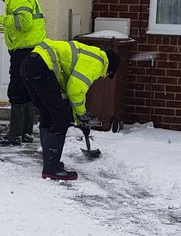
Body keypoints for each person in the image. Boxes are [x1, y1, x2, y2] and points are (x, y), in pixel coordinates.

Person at [20, 38, 119, 181]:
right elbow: (76, 90)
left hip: (29, 64)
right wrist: (81, 113)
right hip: (40, 66)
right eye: (107, 75)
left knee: (49, 113)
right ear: (109, 69)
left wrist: (80, 120)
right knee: (61, 117)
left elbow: (69, 92)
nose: (103, 77)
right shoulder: (96, 63)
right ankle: (51, 168)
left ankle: (50, 161)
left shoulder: (90, 54)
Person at [0, 0, 46, 145]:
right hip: (27, 49)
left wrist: (0, 19)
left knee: (17, 89)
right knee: (26, 89)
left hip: (25, 50)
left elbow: (24, 22)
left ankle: (15, 134)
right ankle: (25, 131)